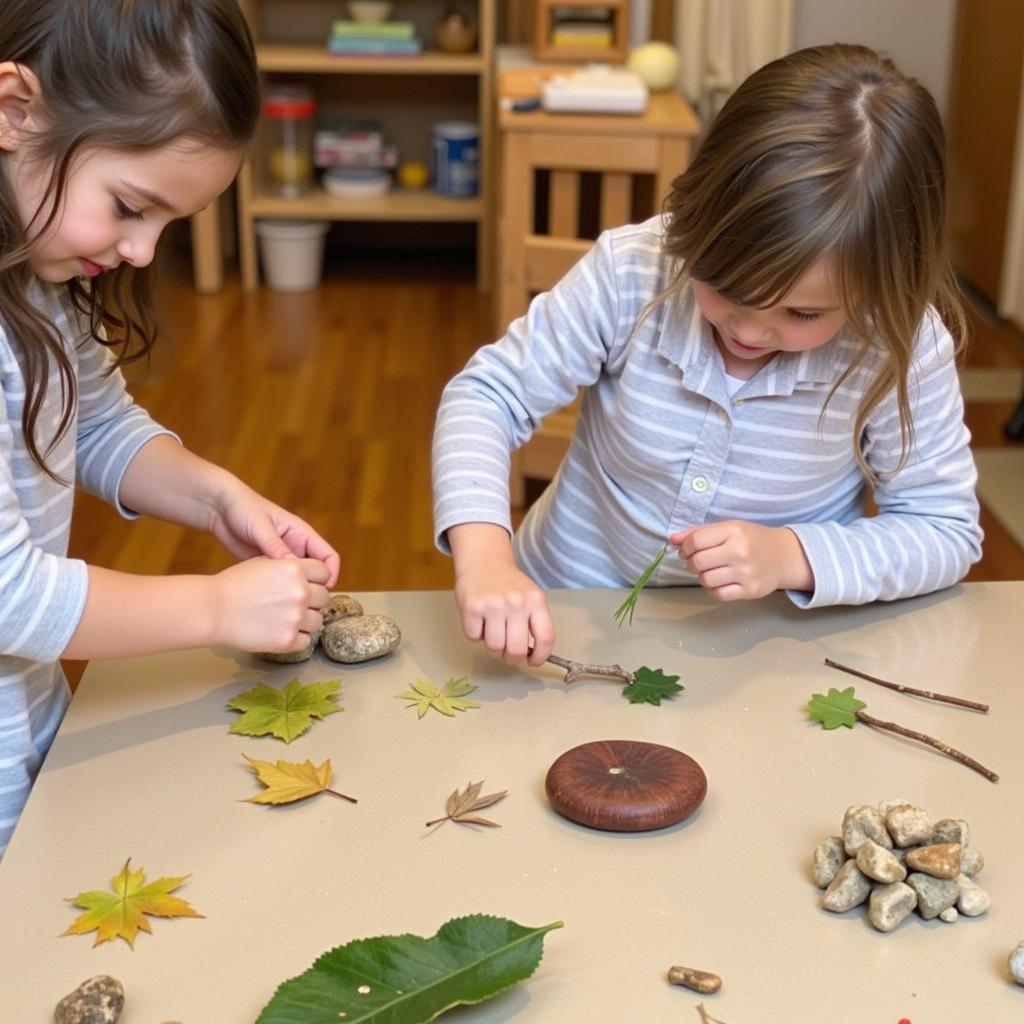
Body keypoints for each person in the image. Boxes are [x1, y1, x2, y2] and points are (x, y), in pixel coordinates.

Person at [432, 43, 982, 669]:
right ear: (695, 213)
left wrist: (791, 556)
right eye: (724, 286)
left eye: (803, 315)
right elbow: (488, 396)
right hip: (564, 608)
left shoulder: (900, 344)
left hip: (764, 646)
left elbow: (945, 530)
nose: (749, 330)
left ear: (888, 282)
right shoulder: (634, 270)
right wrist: (484, 558)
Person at [0, 0, 338, 858]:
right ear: (14, 110)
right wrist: (217, 607)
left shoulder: (31, 273)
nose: (143, 252)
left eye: (166, 224)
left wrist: (218, 498)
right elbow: (9, 597)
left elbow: (99, 420)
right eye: (128, 206)